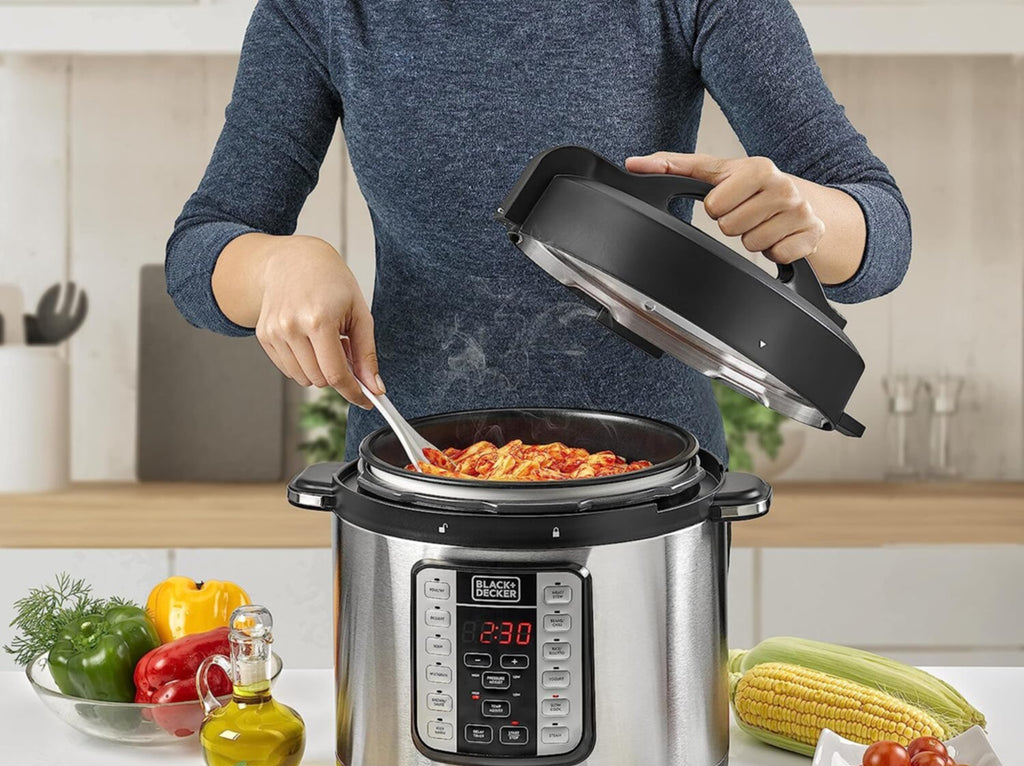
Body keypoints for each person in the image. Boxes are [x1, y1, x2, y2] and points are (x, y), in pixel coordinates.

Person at [166, 0, 910, 464]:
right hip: (417, 477)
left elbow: (883, 232)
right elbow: (202, 246)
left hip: (650, 487)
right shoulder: (323, 9)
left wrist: (809, 215)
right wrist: (278, 266)